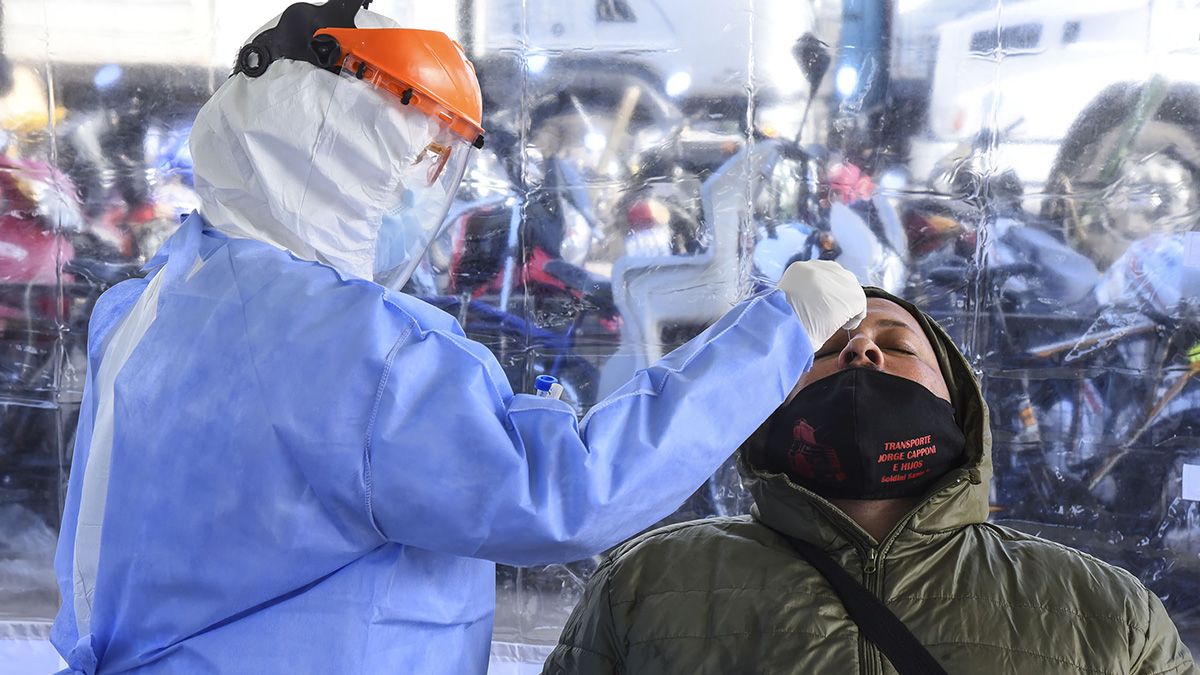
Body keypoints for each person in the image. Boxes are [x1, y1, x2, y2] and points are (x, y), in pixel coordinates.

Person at [49, 2, 868, 673]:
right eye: (417, 152)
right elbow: (566, 493)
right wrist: (784, 327)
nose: (424, 188)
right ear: (333, 137)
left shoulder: (144, 306)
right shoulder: (358, 347)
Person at [542, 289, 1199, 674]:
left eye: (899, 345)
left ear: (959, 405)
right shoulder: (643, 584)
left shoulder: (1111, 614)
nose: (861, 350)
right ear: (767, 405)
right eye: (827, 349)